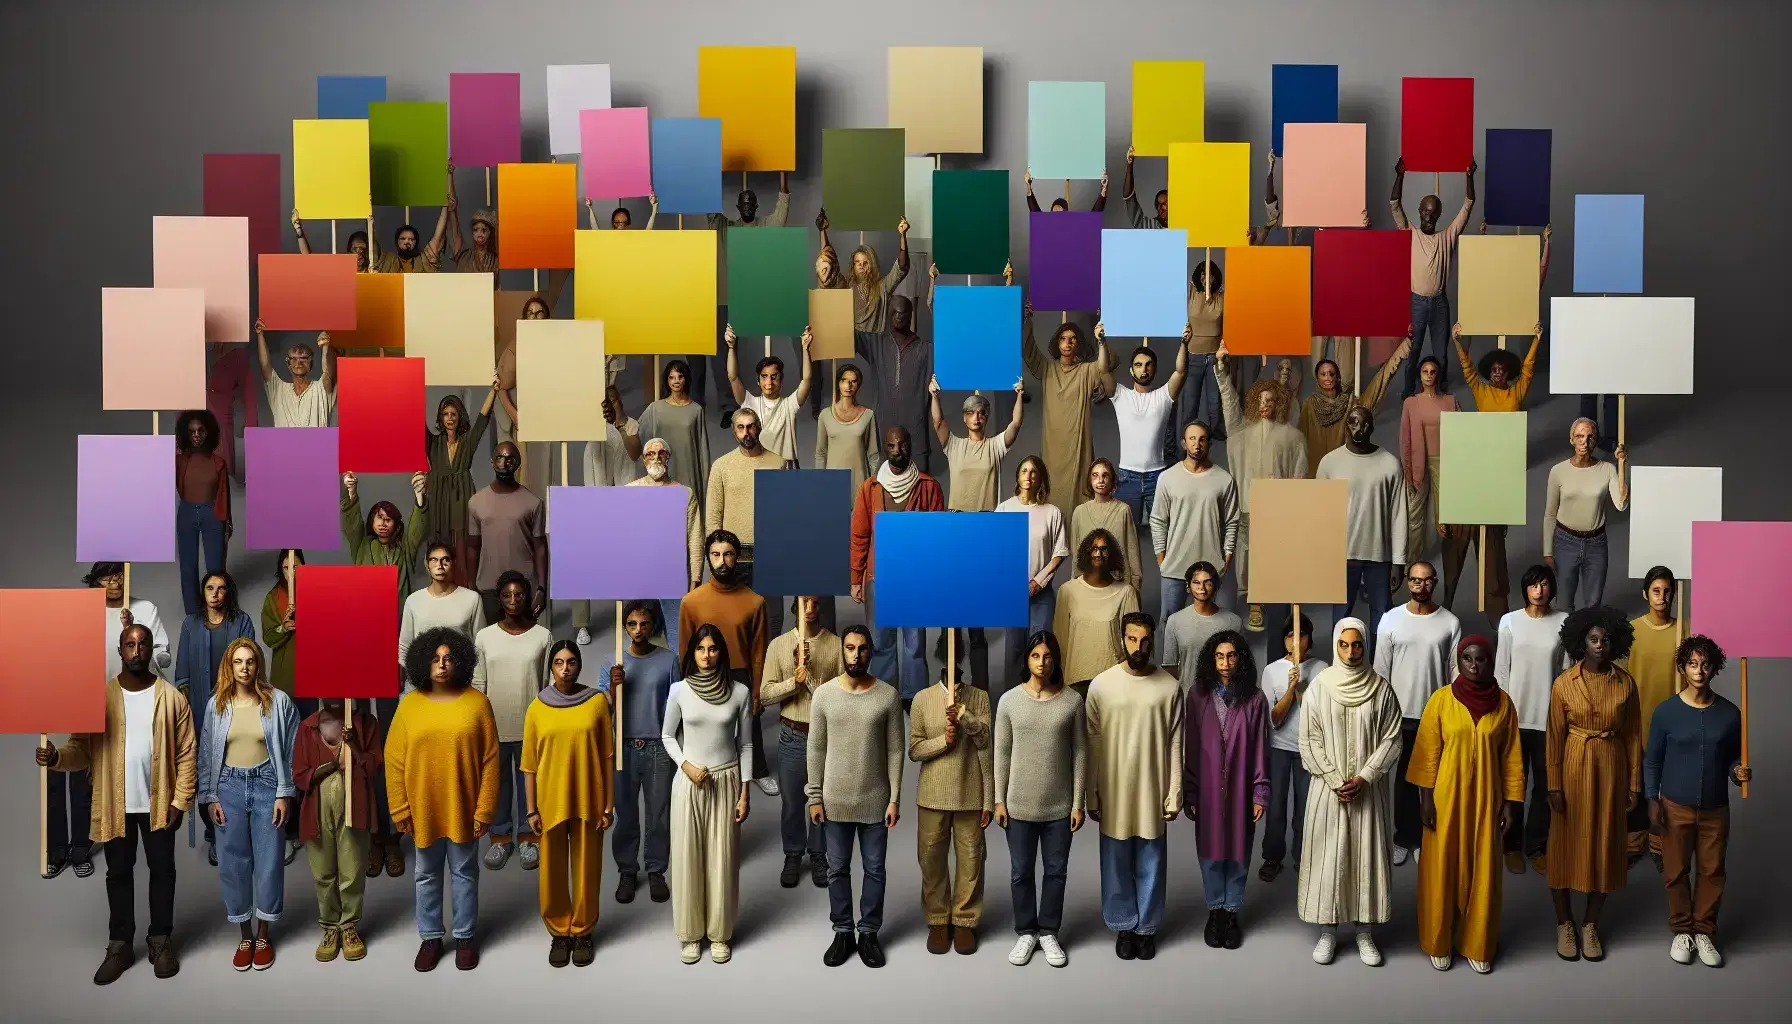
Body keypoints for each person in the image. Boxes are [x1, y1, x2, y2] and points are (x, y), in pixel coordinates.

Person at [36, 625, 195, 984]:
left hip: (159, 806)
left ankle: (160, 940)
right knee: (118, 875)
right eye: (130, 644)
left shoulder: (171, 699)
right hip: (114, 804)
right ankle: (121, 944)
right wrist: (56, 757)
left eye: (143, 644)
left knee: (162, 872)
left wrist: (180, 800)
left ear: (151, 649)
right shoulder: (97, 698)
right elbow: (80, 749)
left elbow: (187, 753)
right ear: (121, 650)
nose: (136, 650)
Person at [1409, 634, 1524, 974]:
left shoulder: (1504, 704)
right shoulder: (1442, 701)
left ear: (1491, 661)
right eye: (1467, 659)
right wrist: (1425, 800)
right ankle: (1438, 939)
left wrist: (1511, 804)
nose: (1474, 666)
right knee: (1441, 867)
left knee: (1484, 869)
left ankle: (1477, 943)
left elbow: (1512, 759)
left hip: (1488, 798)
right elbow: (1427, 753)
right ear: (1458, 663)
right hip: (1446, 797)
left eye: (1481, 659)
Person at [388, 627, 500, 972]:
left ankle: (465, 937)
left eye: (449, 658)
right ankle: (431, 937)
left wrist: (484, 809)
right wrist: (400, 808)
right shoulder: (409, 706)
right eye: (435, 658)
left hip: (464, 807)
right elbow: (393, 760)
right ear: (423, 663)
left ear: (461, 663)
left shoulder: (478, 704)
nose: (442, 664)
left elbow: (491, 760)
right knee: (425, 873)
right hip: (422, 807)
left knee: (465, 871)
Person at [1298, 617, 1404, 967]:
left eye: (1357, 644)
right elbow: (1309, 739)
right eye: (1343, 645)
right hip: (1329, 793)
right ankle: (1328, 933)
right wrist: (1333, 778)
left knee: (1365, 860)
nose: (1351, 651)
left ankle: (1364, 935)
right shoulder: (1320, 686)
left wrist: (1365, 777)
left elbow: (1392, 738)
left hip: (1367, 793)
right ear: (1335, 647)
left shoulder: (1381, 688)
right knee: (1331, 859)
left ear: (1365, 646)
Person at [195, 638, 299, 972]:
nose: (244, 668)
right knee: (234, 862)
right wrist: (209, 797)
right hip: (228, 786)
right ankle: (244, 934)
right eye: (238, 662)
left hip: (268, 783)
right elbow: (207, 754)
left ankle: (264, 934)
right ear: (229, 666)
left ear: (258, 665)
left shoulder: (277, 701)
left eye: (250, 661)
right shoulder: (217, 705)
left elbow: (293, 748)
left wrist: (285, 792)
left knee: (269, 860)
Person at [1546, 605, 1641, 963]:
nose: (1600, 645)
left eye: (1605, 640)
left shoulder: (1625, 683)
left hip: (1611, 767)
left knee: (1605, 843)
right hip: (1573, 765)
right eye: (1594, 639)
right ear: (1581, 642)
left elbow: (1633, 736)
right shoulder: (1563, 684)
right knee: (1564, 845)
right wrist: (1553, 784)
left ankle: (1590, 924)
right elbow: (1554, 738)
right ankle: (1563, 923)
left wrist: (1634, 784)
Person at [1646, 635, 1747, 968]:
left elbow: (1732, 759)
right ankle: (1682, 931)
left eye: (1705, 664)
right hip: (1674, 805)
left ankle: (1705, 931)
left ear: (1714, 668)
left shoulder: (1731, 714)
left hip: (1716, 808)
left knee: (1712, 871)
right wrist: (1652, 799)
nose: (1699, 670)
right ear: (1682, 667)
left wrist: (1738, 772)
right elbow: (1653, 761)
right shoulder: (1666, 712)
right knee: (1675, 871)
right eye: (1692, 663)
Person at [808, 625, 905, 969]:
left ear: (871, 652)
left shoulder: (888, 696)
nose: (856, 655)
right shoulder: (823, 696)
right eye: (850, 648)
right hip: (834, 800)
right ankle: (842, 931)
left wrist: (894, 797)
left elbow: (895, 750)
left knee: (875, 870)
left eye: (862, 649)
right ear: (842, 652)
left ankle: (869, 932)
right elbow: (816, 747)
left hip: (875, 800)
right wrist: (814, 796)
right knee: (837, 870)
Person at [1085, 613, 1182, 960]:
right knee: (1115, 861)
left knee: (1152, 861)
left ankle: (1147, 928)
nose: (1138, 647)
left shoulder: (1170, 687)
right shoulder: (1101, 686)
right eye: (1131, 639)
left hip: (1153, 788)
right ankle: (1123, 925)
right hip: (1113, 788)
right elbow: (1092, 741)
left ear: (1152, 639)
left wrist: (1175, 790)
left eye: (1144, 640)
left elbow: (1176, 743)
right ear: (1121, 639)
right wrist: (1090, 792)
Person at [660, 624, 753, 965]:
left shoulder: (740, 692)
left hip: (726, 781)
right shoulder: (679, 691)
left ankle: (719, 934)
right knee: (687, 858)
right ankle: (690, 934)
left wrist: (745, 793)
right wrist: (686, 766)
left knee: (722, 860)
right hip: (690, 782)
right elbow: (668, 736)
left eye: (713, 648)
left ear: (721, 653)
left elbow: (745, 744)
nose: (707, 655)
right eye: (701, 649)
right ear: (692, 653)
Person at [993, 631, 1086, 968]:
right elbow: (1001, 753)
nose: (1042, 663)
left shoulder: (1072, 701)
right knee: (1020, 872)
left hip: (1059, 807)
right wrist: (998, 801)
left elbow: (1080, 754)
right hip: (1018, 805)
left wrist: (1078, 803)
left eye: (1048, 656)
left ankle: (1048, 931)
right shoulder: (1009, 701)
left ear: (1056, 659)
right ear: (1026, 659)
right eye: (1036, 656)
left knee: (1055, 872)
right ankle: (1025, 931)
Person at [523, 640, 614, 968]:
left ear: (579, 665)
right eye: (559, 662)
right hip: (550, 801)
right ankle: (559, 931)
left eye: (571, 661)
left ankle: (584, 929)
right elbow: (529, 765)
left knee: (588, 868)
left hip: (590, 798)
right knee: (552, 870)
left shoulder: (596, 703)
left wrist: (608, 806)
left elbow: (607, 756)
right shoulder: (537, 707)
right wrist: (531, 809)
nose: (565, 668)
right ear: (551, 666)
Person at [1443, 320, 1542, 613]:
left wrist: (1536, 338)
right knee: (1468, 524)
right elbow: (1467, 370)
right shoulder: (1481, 390)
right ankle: (1449, 598)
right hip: (1481, 457)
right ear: (1491, 373)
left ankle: (1495, 606)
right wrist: (1458, 343)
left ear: (1508, 373)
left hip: (1506, 461)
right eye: (1495, 370)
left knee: (1497, 528)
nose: (1499, 374)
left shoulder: (1517, 392)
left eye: (1503, 370)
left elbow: (1529, 368)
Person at [1183, 631, 1269, 950]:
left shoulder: (1255, 699)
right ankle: (1214, 910)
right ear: (1210, 659)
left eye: (1231, 656)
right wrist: (1190, 791)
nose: (1225, 662)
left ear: (1241, 659)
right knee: (1210, 851)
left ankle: (1231, 912)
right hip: (1206, 788)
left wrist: (1260, 792)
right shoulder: (1197, 696)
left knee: (1238, 851)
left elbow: (1261, 747)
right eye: (1219, 656)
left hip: (1241, 786)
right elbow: (1191, 745)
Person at [1215, 344, 1309, 630]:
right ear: (1255, 401)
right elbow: (1230, 404)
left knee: (1277, 555)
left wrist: (1293, 508)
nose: (1266, 404)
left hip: (1279, 509)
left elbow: (1300, 475)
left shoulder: (1292, 437)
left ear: (1279, 403)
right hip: (1248, 504)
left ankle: (1278, 606)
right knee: (1248, 553)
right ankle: (1254, 603)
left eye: (1272, 400)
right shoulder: (1242, 433)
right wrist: (1222, 370)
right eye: (1262, 399)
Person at [1374, 561, 1462, 865]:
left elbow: (1455, 672)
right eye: (1414, 581)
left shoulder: (1449, 622)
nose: (1420, 586)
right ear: (1408, 583)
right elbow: (1380, 671)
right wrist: (1381, 714)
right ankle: (1404, 837)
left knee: (1434, 778)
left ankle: (1429, 836)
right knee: (1403, 780)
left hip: (1436, 713)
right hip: (1399, 713)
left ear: (1434, 582)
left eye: (1426, 581)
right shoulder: (1390, 620)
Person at [851, 427, 948, 701]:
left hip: (914, 580)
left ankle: (914, 701)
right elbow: (859, 536)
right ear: (884, 448)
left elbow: (938, 538)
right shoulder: (870, 488)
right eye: (892, 446)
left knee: (915, 645)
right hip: (878, 577)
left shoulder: (929, 486)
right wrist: (855, 578)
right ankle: (885, 698)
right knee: (880, 642)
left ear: (911, 446)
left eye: (903, 445)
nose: (898, 451)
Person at [908, 656, 995, 955]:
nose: (953, 666)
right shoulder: (921, 699)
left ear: (962, 664)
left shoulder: (980, 698)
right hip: (932, 793)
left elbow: (986, 743)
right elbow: (915, 750)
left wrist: (966, 717)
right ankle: (937, 919)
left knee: (971, 860)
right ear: (941, 663)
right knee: (931, 859)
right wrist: (942, 741)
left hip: (970, 791)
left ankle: (964, 920)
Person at [679, 530, 774, 793]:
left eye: (728, 554)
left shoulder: (755, 602)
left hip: (740, 673)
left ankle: (757, 770)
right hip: (703, 673)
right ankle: (701, 767)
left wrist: (756, 691)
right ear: (708, 557)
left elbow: (758, 652)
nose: (722, 561)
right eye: (716, 554)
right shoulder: (691, 602)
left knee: (749, 727)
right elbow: (685, 650)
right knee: (706, 726)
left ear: (738, 557)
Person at [471, 572, 554, 871]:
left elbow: (547, 683)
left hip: (531, 724)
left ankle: (528, 837)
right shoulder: (484, 636)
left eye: (519, 594)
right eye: (507, 595)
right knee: (498, 786)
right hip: (494, 723)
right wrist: (478, 723)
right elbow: (479, 682)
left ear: (528, 597)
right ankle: (500, 839)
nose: (513, 600)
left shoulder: (543, 636)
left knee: (528, 784)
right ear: (499, 599)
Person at [760, 597, 843, 889]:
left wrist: (809, 679)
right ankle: (793, 853)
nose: (810, 608)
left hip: (824, 736)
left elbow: (840, 698)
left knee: (821, 799)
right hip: (791, 734)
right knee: (793, 801)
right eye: (804, 602)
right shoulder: (778, 645)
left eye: (816, 603)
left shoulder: (835, 645)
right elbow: (766, 695)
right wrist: (792, 682)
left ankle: (819, 854)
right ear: (795, 605)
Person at [291, 698, 380, 964]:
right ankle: (330, 928)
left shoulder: (365, 724)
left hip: (355, 806)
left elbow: (374, 766)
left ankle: (349, 927)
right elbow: (299, 774)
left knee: (352, 868)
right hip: (317, 809)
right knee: (323, 871)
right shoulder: (308, 727)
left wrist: (352, 744)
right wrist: (329, 765)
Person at [173, 570, 256, 859]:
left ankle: (238, 829)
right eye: (210, 587)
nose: (216, 593)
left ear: (228, 592)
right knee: (205, 771)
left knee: (233, 766)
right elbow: (181, 670)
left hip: (235, 707)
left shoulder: (242, 621)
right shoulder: (190, 624)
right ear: (203, 592)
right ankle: (212, 832)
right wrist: (184, 708)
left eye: (221, 588)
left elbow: (251, 663)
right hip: (198, 710)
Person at [1494, 564, 1568, 875]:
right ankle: (1510, 845)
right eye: (1533, 585)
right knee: (1513, 785)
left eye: (1545, 585)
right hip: (1515, 717)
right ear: (1525, 589)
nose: (1539, 591)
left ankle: (1536, 845)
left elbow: (1565, 672)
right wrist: (1502, 717)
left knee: (1544, 786)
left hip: (1548, 718)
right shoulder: (1509, 622)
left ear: (1552, 588)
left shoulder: (1563, 622)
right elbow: (1500, 671)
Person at [604, 601, 680, 905]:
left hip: (658, 746)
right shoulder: (613, 662)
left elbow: (678, 705)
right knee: (625, 814)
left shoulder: (669, 660)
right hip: (623, 746)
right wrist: (613, 685)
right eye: (632, 624)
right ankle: (627, 870)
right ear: (625, 627)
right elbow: (604, 709)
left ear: (653, 626)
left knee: (658, 813)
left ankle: (656, 869)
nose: (638, 630)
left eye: (644, 624)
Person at [1021, 299, 1115, 521]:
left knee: (1080, 498)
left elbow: (1104, 368)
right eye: (1063, 339)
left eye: (1073, 339)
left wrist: (1102, 339)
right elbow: (1028, 351)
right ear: (1057, 343)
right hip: (1053, 447)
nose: (1068, 343)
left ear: (1079, 344)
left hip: (1078, 446)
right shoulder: (1047, 368)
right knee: (1051, 497)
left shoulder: (1086, 371)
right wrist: (1028, 321)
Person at [1390, 157, 1477, 398]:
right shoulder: (1410, 233)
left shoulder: (1447, 237)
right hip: (1417, 301)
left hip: (1440, 303)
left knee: (1442, 352)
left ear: (1439, 215)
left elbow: (1468, 205)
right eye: (1426, 211)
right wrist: (1400, 175)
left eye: (1434, 213)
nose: (1429, 216)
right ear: (1420, 211)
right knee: (1413, 349)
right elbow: (1395, 205)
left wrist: (1469, 177)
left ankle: (1440, 392)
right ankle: (1408, 393)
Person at [1317, 406, 1409, 631]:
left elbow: (1399, 515)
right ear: (1346, 426)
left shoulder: (1390, 464)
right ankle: (1341, 666)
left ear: (1372, 427)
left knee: (1383, 619)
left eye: (1365, 423)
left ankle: (1379, 666)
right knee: (1341, 618)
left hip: (1379, 555)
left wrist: (1399, 561)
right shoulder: (1330, 463)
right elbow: (1320, 514)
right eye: (1354, 422)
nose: (1359, 428)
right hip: (1342, 555)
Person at [611, 438, 702, 654]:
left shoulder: (685, 493)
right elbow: (618, 538)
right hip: (638, 577)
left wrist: (695, 581)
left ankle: (676, 683)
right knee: (637, 636)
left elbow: (695, 538)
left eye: (661, 453)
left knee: (678, 637)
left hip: (673, 576)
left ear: (668, 458)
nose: (656, 457)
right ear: (643, 460)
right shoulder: (629, 492)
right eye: (651, 454)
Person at [705, 409, 788, 646]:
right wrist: (716, 559)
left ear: (759, 428)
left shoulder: (777, 463)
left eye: (751, 426)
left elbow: (785, 513)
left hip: (769, 555)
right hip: (734, 556)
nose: (746, 432)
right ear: (734, 431)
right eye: (740, 427)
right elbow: (713, 517)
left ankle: (769, 673)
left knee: (772, 619)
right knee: (735, 620)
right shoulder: (721, 466)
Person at [570, 385, 645, 642]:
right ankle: (582, 623)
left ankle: (631, 618)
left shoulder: (632, 424)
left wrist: (620, 422)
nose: (610, 405)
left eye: (613, 400)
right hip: (595, 501)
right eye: (605, 402)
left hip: (625, 502)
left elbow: (635, 453)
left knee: (629, 562)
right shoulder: (592, 425)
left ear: (620, 401)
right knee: (580, 561)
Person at [1149, 421, 1241, 621]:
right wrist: (1162, 559)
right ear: (1184, 443)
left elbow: (1233, 521)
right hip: (1174, 567)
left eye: (1202, 439)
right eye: (1192, 439)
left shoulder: (1224, 479)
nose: (1197, 444)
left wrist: (1227, 557)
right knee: (1169, 625)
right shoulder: (1167, 478)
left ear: (1208, 443)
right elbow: (1157, 520)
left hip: (1212, 568)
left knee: (1218, 629)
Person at [998, 457, 1070, 699]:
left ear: (1041, 478)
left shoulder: (1052, 512)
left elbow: (1059, 552)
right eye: (1024, 471)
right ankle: (1013, 700)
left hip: (1042, 592)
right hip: (1011, 591)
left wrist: (1037, 582)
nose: (1028, 476)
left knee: (1040, 645)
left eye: (1034, 472)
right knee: (1014, 648)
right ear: (1017, 477)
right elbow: (997, 549)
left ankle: (1040, 696)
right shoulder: (1005, 509)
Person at [1259, 614, 1324, 883]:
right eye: (1290, 636)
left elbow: (1325, 714)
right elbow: (1273, 718)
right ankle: (1272, 857)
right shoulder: (1271, 670)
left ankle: (1303, 857)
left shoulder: (1322, 669)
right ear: (1284, 640)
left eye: (1301, 636)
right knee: (1275, 809)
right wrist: (1290, 688)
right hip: (1279, 748)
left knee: (1305, 808)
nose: (1295, 642)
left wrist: (1305, 687)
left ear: (1309, 640)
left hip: (1309, 749)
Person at [1624, 566, 1682, 867]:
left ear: (1674, 593)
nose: (1662, 597)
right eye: (1656, 591)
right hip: (1638, 720)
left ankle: (1661, 845)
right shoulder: (1632, 631)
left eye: (1667, 591)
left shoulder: (1684, 630)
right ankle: (1634, 841)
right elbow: (1619, 678)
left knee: (1667, 789)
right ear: (1646, 593)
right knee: (1634, 783)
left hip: (1673, 725)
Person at [1543, 419, 1630, 612]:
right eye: (1580, 436)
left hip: (1596, 543)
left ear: (1596, 441)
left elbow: (1621, 504)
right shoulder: (1558, 471)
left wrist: (1622, 464)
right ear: (1571, 439)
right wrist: (1548, 551)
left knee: (1593, 605)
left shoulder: (1607, 469)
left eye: (1590, 437)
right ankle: (1567, 642)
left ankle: (1588, 642)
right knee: (1564, 604)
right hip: (1565, 541)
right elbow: (1550, 514)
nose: (1585, 441)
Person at [1106, 331, 1187, 529]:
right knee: (1123, 539)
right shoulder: (1120, 395)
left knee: (1165, 537)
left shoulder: (1163, 396)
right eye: (1139, 365)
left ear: (1155, 370)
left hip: (1158, 477)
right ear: (1131, 370)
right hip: (1127, 478)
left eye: (1149, 365)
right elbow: (1103, 371)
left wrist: (1185, 342)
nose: (1144, 370)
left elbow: (1181, 371)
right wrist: (1101, 341)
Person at [423, 384, 497, 586]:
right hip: (438, 498)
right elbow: (414, 420)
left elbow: (482, 419)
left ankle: (465, 589)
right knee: (440, 545)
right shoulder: (433, 443)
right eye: (445, 414)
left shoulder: (467, 442)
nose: (449, 418)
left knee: (463, 545)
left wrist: (494, 391)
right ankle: (441, 588)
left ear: (459, 416)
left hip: (462, 496)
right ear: (440, 417)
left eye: (453, 413)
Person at [467, 442, 549, 626]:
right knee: (492, 649)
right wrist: (471, 588)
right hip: (488, 589)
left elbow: (541, 548)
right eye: (500, 458)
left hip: (523, 588)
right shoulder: (476, 502)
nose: (504, 463)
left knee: (523, 648)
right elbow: (472, 547)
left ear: (518, 463)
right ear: (492, 462)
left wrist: (542, 590)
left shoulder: (533, 502)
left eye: (510, 459)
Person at [1052, 528, 1140, 692]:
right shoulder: (1068, 591)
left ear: (1111, 554)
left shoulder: (1126, 592)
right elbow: (1060, 639)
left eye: (1104, 549)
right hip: (1075, 680)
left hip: (1113, 681)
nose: (1098, 553)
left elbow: (1134, 642)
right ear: (1086, 552)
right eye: (1094, 548)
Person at [1297, 347, 1408, 474]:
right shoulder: (1309, 404)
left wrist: (1400, 351)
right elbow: (1301, 441)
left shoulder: (1350, 403)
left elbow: (1378, 386)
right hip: (1316, 470)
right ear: (1317, 378)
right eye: (1323, 374)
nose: (1328, 377)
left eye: (1331, 373)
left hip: (1343, 468)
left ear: (1338, 377)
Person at [1398, 356, 1458, 578]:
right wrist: (1407, 472)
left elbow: (1463, 433)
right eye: (1425, 371)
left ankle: (1447, 571)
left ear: (1438, 374)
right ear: (1420, 375)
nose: (1429, 375)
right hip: (1418, 463)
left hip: (1445, 462)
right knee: (1415, 519)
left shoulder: (1450, 401)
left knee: (1446, 520)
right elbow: (1405, 440)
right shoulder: (1411, 403)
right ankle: (1412, 567)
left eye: (1433, 371)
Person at [933, 375, 1024, 514]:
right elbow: (938, 422)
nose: (976, 418)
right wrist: (934, 395)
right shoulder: (954, 446)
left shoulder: (996, 446)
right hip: (958, 518)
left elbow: (1016, 424)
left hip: (987, 519)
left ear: (986, 417)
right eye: (971, 413)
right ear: (964, 417)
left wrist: (1019, 395)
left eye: (981, 413)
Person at [864, 293, 935, 472]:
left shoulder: (925, 350)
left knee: (921, 493)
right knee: (885, 494)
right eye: (895, 312)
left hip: (917, 439)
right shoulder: (876, 344)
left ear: (911, 315)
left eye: (903, 313)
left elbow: (956, 343)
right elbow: (844, 333)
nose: (899, 316)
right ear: (888, 314)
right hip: (884, 441)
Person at [726, 323, 813, 467]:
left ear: (781, 379)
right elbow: (733, 376)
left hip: (786, 468)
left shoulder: (789, 405)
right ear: (758, 381)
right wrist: (731, 347)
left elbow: (807, 379)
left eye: (774, 376)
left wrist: (805, 348)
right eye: (764, 376)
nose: (769, 382)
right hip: (758, 466)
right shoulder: (749, 403)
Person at [341, 470, 429, 608]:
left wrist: (419, 497)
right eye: (380, 518)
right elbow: (352, 525)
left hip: (398, 615)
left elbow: (416, 531)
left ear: (395, 525)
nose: (383, 523)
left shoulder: (404, 549)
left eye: (388, 520)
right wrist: (351, 492)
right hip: (368, 610)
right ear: (372, 520)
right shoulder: (362, 546)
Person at [173, 408, 232, 616]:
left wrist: (226, 523)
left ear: (209, 432)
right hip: (187, 513)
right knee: (187, 568)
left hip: (212, 515)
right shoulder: (179, 462)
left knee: (215, 569)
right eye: (191, 431)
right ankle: (192, 613)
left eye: (201, 431)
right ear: (185, 434)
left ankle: (216, 610)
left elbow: (224, 495)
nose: (196, 435)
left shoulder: (218, 463)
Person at [399, 541, 487, 674]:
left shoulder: (472, 599)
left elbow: (480, 646)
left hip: (460, 679)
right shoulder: (413, 601)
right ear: (427, 565)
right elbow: (405, 646)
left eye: (445, 560)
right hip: (423, 680)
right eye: (434, 560)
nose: (440, 566)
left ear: (454, 563)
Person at [637, 359, 712, 509]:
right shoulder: (655, 409)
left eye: (680, 376)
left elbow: (702, 450)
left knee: (689, 519)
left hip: (689, 471)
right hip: (661, 473)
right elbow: (637, 435)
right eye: (672, 377)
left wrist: (705, 479)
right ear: (666, 380)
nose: (676, 381)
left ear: (686, 379)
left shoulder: (696, 410)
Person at [90, 562, 172, 684]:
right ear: (96, 583)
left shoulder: (146, 608)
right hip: (101, 690)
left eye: (119, 575)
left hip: (141, 689)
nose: (115, 583)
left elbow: (162, 654)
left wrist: (131, 628)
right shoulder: (88, 613)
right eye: (107, 578)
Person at [1071, 459, 1144, 594]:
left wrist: (1135, 587)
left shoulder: (1123, 510)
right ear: (1089, 480)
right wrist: (1075, 585)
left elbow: (1132, 550)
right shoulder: (1079, 512)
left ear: (1112, 480)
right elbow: (1077, 555)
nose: (1100, 480)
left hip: (1118, 585)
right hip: (1088, 585)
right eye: (1095, 475)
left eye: (1105, 475)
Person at [254, 320, 336, 428]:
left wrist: (325, 346)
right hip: (285, 445)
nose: (298, 362)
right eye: (294, 359)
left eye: (304, 358)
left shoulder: (321, 389)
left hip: (316, 444)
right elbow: (265, 366)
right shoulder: (278, 389)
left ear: (311, 363)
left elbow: (328, 372)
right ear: (288, 364)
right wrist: (260, 334)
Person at [816, 362, 881, 492]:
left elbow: (873, 455)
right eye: (844, 380)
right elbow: (820, 453)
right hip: (832, 482)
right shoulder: (825, 415)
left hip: (860, 483)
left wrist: (875, 484)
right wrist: (820, 481)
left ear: (859, 385)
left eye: (853, 381)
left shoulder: (868, 415)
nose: (848, 385)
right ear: (838, 383)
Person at [1180, 263, 1226, 444]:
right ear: (1198, 277)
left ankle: (1211, 436)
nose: (1206, 278)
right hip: (1194, 356)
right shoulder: (1191, 293)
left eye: (1210, 275)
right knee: (1191, 402)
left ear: (1215, 278)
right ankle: (1186, 439)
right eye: (1203, 275)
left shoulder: (1221, 297)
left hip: (1215, 357)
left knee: (1214, 403)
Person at [206, 340, 257, 484]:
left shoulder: (239, 356)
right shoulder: (192, 349)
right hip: (193, 423)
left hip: (222, 427)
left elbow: (250, 397)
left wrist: (251, 431)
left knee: (222, 479)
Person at [260, 550, 303, 709]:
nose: (291, 572)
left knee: (310, 728)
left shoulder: (315, 591)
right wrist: (283, 628)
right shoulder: (273, 598)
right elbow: (269, 637)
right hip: (285, 677)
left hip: (310, 675)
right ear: (281, 569)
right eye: (286, 568)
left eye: (295, 567)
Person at [442, 164, 497, 274]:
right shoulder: (464, 255)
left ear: (490, 232)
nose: (480, 233)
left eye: (484, 230)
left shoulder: (496, 259)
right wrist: (450, 175)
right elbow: (453, 210)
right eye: (476, 230)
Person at [365, 211, 447, 274]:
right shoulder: (388, 260)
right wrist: (370, 224)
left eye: (411, 239)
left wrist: (446, 208)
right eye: (403, 238)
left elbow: (437, 238)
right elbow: (373, 246)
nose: (407, 241)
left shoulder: (424, 261)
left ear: (416, 243)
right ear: (397, 242)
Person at [292, 208, 370, 272]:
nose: (359, 253)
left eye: (362, 249)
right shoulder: (342, 268)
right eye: (354, 249)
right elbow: (309, 260)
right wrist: (299, 231)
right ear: (349, 251)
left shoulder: (374, 269)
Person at [1121, 145, 1169, 228]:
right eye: (1158, 204)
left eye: (1165, 203)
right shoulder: (1149, 226)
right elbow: (1129, 199)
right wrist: (1130, 164)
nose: (1162, 207)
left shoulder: (1184, 227)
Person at [1024, 166, 1109, 212]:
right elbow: (1035, 212)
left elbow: (1094, 217)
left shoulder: (1076, 229)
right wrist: (1028, 187)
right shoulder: (1046, 228)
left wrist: (1104, 189)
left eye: (1060, 213)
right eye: (1054, 213)